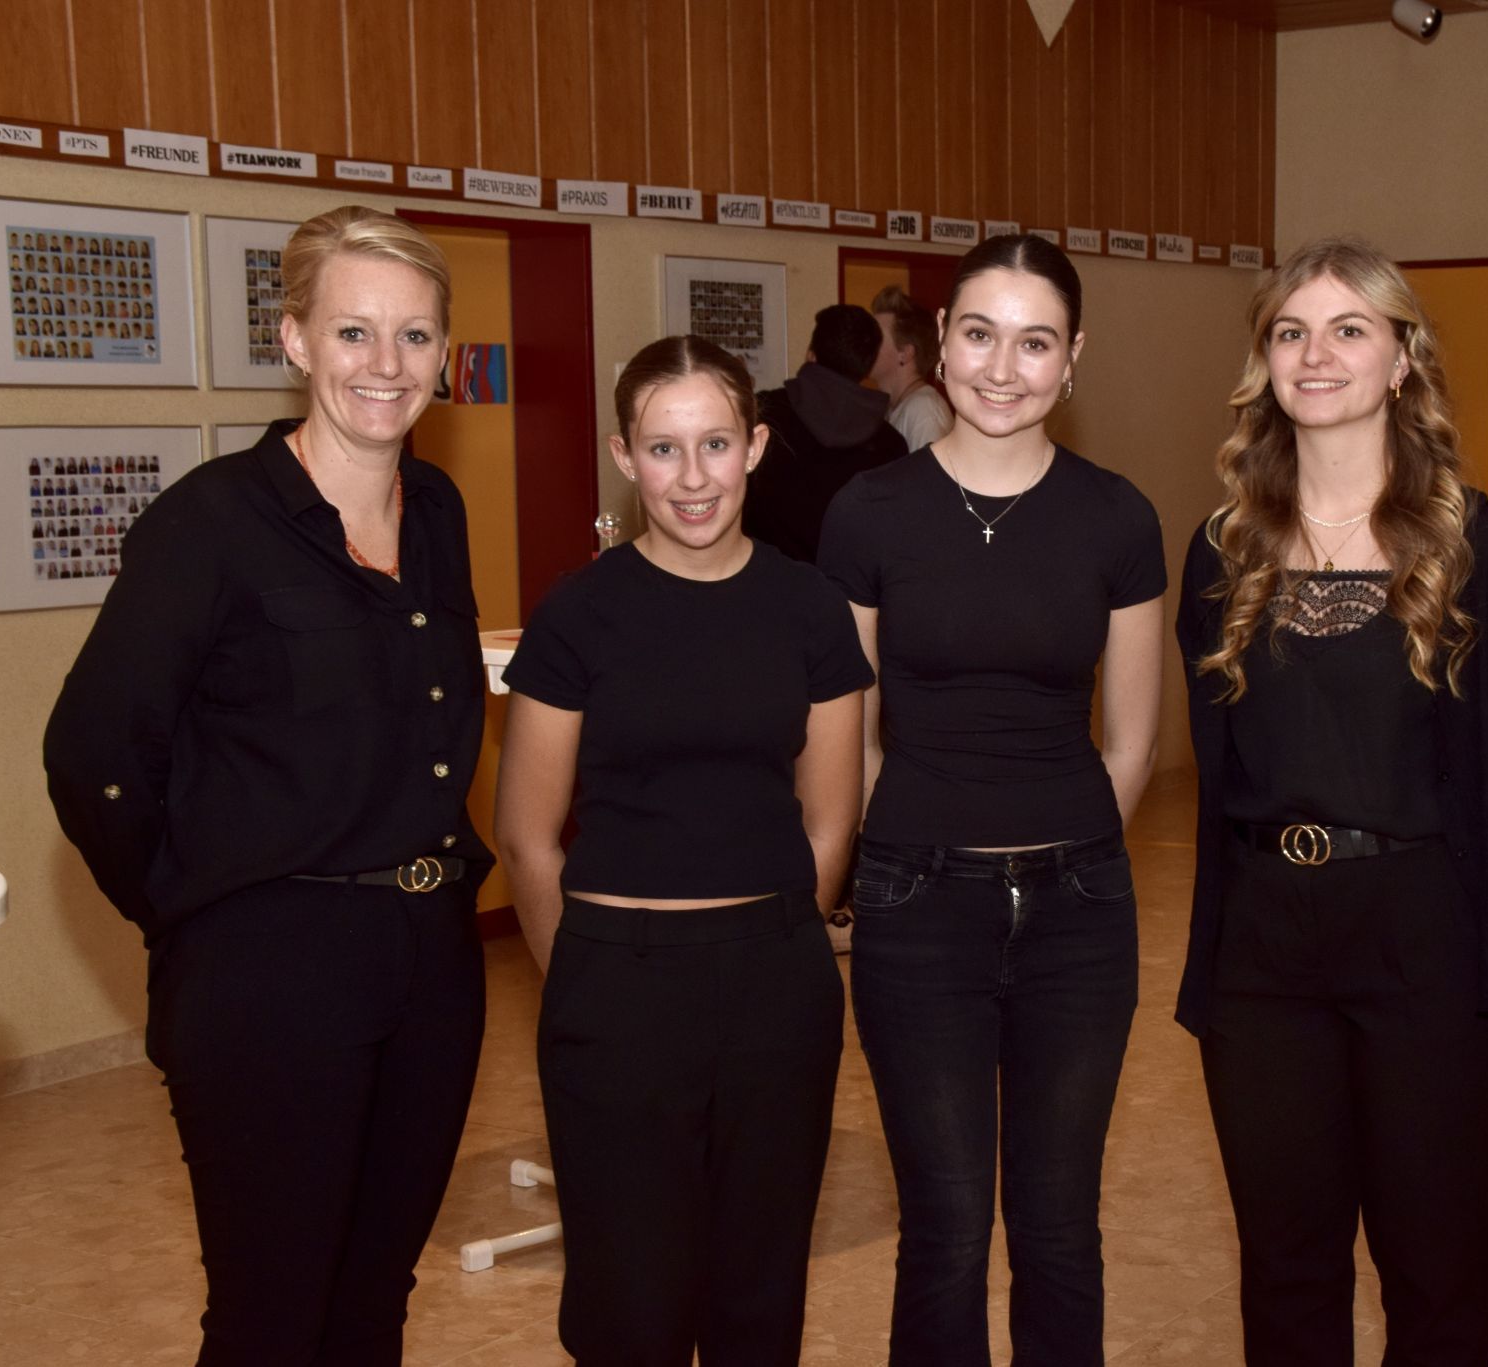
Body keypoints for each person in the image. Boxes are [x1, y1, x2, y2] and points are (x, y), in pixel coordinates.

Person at [42, 206, 485, 1364]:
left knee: (374, 1300)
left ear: (444, 350)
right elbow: (93, 751)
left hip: (432, 963)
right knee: (270, 1316)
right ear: (293, 340)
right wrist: (202, 902)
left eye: (413, 335)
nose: (384, 365)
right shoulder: (211, 524)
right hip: (269, 973)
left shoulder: (436, 510)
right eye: (351, 331)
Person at [1174, 236, 1488, 1367]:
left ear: (1401, 360)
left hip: (1426, 935)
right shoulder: (1220, 549)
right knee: (1285, 1261)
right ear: (1263, 361)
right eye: (1289, 330)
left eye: (1350, 328)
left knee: (1434, 1260)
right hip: (1262, 944)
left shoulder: (1472, 545)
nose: (1316, 352)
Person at [818, 233, 1166, 1366]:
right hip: (916, 904)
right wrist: (900, 849)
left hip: (1078, 906)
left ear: (1072, 360)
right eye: (978, 335)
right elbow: (847, 734)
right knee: (949, 1226)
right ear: (937, 347)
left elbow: (1130, 743)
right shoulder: (867, 513)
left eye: (1034, 341)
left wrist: (1065, 846)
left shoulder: (1116, 517)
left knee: (1060, 1228)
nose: (1002, 367)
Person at [494, 336, 871, 1363]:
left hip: (773, 983)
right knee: (632, 1303)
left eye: (714, 443)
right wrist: (585, 977)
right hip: (617, 985)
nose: (692, 477)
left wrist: (779, 932)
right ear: (625, 453)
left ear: (754, 446)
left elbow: (829, 819)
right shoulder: (579, 612)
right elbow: (527, 839)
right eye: (664, 449)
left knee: (756, 1294)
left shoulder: (808, 606)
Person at [743, 302, 908, 563]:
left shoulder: (764, 416)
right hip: (850, 596)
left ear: (811, 354)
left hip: (765, 585)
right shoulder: (892, 446)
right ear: (867, 366)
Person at [869, 282, 954, 450]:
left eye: (875, 336)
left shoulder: (924, 411)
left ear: (905, 353)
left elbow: (929, 477)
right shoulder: (894, 408)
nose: (866, 342)